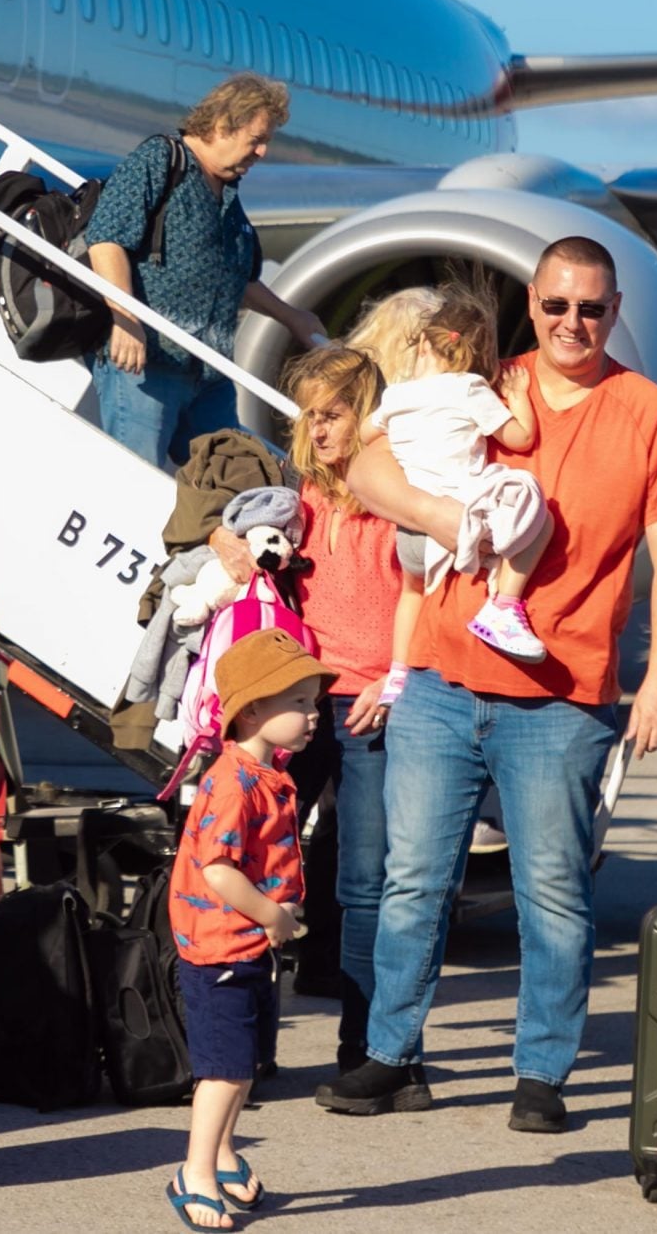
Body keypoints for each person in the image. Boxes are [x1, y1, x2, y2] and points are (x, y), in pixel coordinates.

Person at [320, 236, 657, 1134]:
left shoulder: (650, 413)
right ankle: (392, 1054)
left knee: (554, 894)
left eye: (592, 308)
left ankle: (541, 1073)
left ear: (614, 313)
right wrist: (437, 512)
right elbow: (364, 464)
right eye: (557, 304)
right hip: (443, 678)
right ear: (532, 302)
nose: (573, 322)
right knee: (413, 881)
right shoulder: (485, 384)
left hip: (563, 697)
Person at [164, 628, 332, 1232]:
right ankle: (194, 1173)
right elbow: (218, 871)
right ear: (254, 710)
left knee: (244, 1062)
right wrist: (274, 915)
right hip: (221, 951)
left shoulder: (262, 773)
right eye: (300, 703)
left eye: (314, 702)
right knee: (225, 1070)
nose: (314, 715)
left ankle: (223, 1152)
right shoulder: (234, 782)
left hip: (248, 947)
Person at [84, 75, 328, 468]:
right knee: (135, 476)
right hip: (150, 365)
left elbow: (239, 280)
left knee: (232, 478)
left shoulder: (229, 195)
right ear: (222, 125)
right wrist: (125, 319)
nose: (263, 151)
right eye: (257, 139)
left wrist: (292, 317)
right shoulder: (161, 160)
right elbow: (106, 239)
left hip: (209, 376)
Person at [274, 343, 399, 1068]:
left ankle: (362, 1048)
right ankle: (248, 1043)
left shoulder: (397, 494)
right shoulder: (302, 494)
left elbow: (430, 593)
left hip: (370, 705)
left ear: (367, 415)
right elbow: (225, 520)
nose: (319, 429)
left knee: (364, 881)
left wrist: (396, 678)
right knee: (261, 859)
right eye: (310, 416)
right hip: (301, 697)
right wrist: (227, 537)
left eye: (334, 414)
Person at [359, 280, 551, 662]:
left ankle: (398, 671)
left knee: (411, 595)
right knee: (536, 511)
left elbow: (365, 434)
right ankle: (504, 606)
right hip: (457, 522)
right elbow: (521, 438)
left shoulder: (397, 396)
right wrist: (518, 398)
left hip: (409, 539)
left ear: (423, 345)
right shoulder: (469, 389)